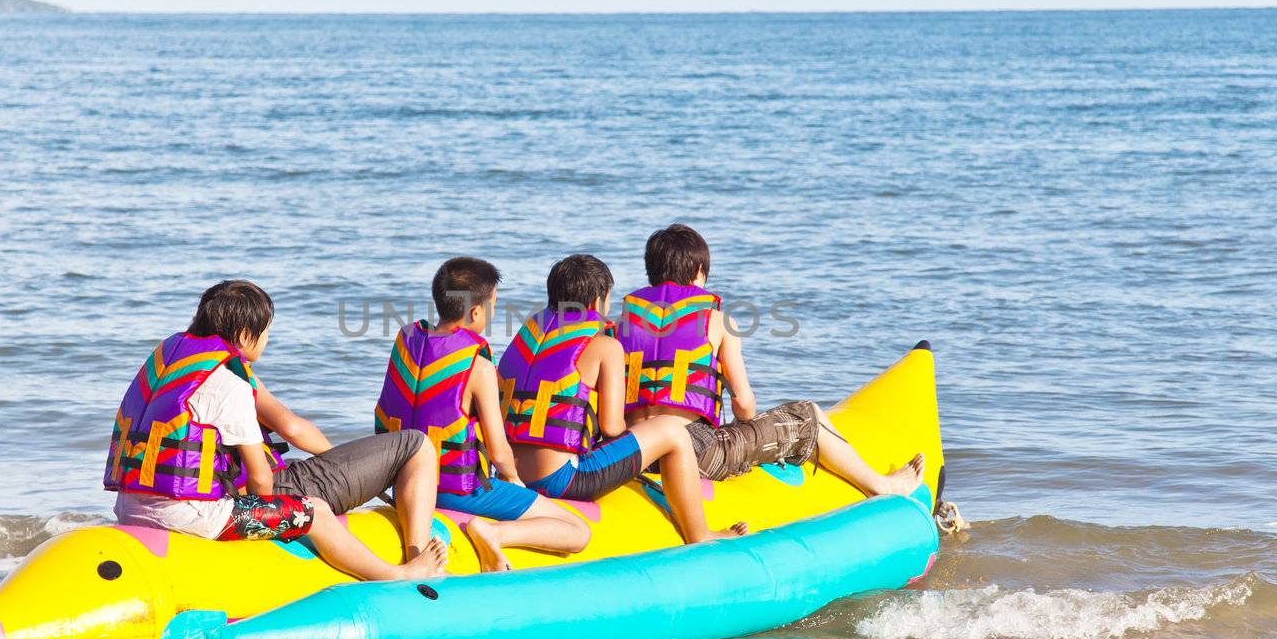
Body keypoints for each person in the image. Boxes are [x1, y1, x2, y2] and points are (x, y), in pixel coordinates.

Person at [105, 279, 446, 580]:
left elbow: (284, 430)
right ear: (243, 335)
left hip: (130, 507)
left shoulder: (171, 359)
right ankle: (399, 573)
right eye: (266, 331)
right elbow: (262, 480)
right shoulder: (228, 384)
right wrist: (279, 516)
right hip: (195, 517)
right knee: (317, 511)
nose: (267, 339)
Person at [619, 224, 925, 492]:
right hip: (692, 451)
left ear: (651, 273)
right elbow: (745, 408)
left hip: (631, 452)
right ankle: (882, 485)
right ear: (699, 273)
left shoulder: (621, 325)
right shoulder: (717, 321)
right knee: (808, 416)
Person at [498, 254, 747, 544]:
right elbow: (613, 427)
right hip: (565, 480)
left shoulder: (525, 340)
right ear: (596, 302)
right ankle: (699, 534)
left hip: (512, 477)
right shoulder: (605, 345)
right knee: (671, 430)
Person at [374, 257, 590, 572]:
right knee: (578, 531)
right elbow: (500, 452)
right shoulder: (479, 366)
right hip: (458, 493)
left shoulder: (406, 342)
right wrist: (514, 480)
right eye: (492, 307)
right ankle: (493, 532)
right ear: (476, 312)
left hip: (405, 485)